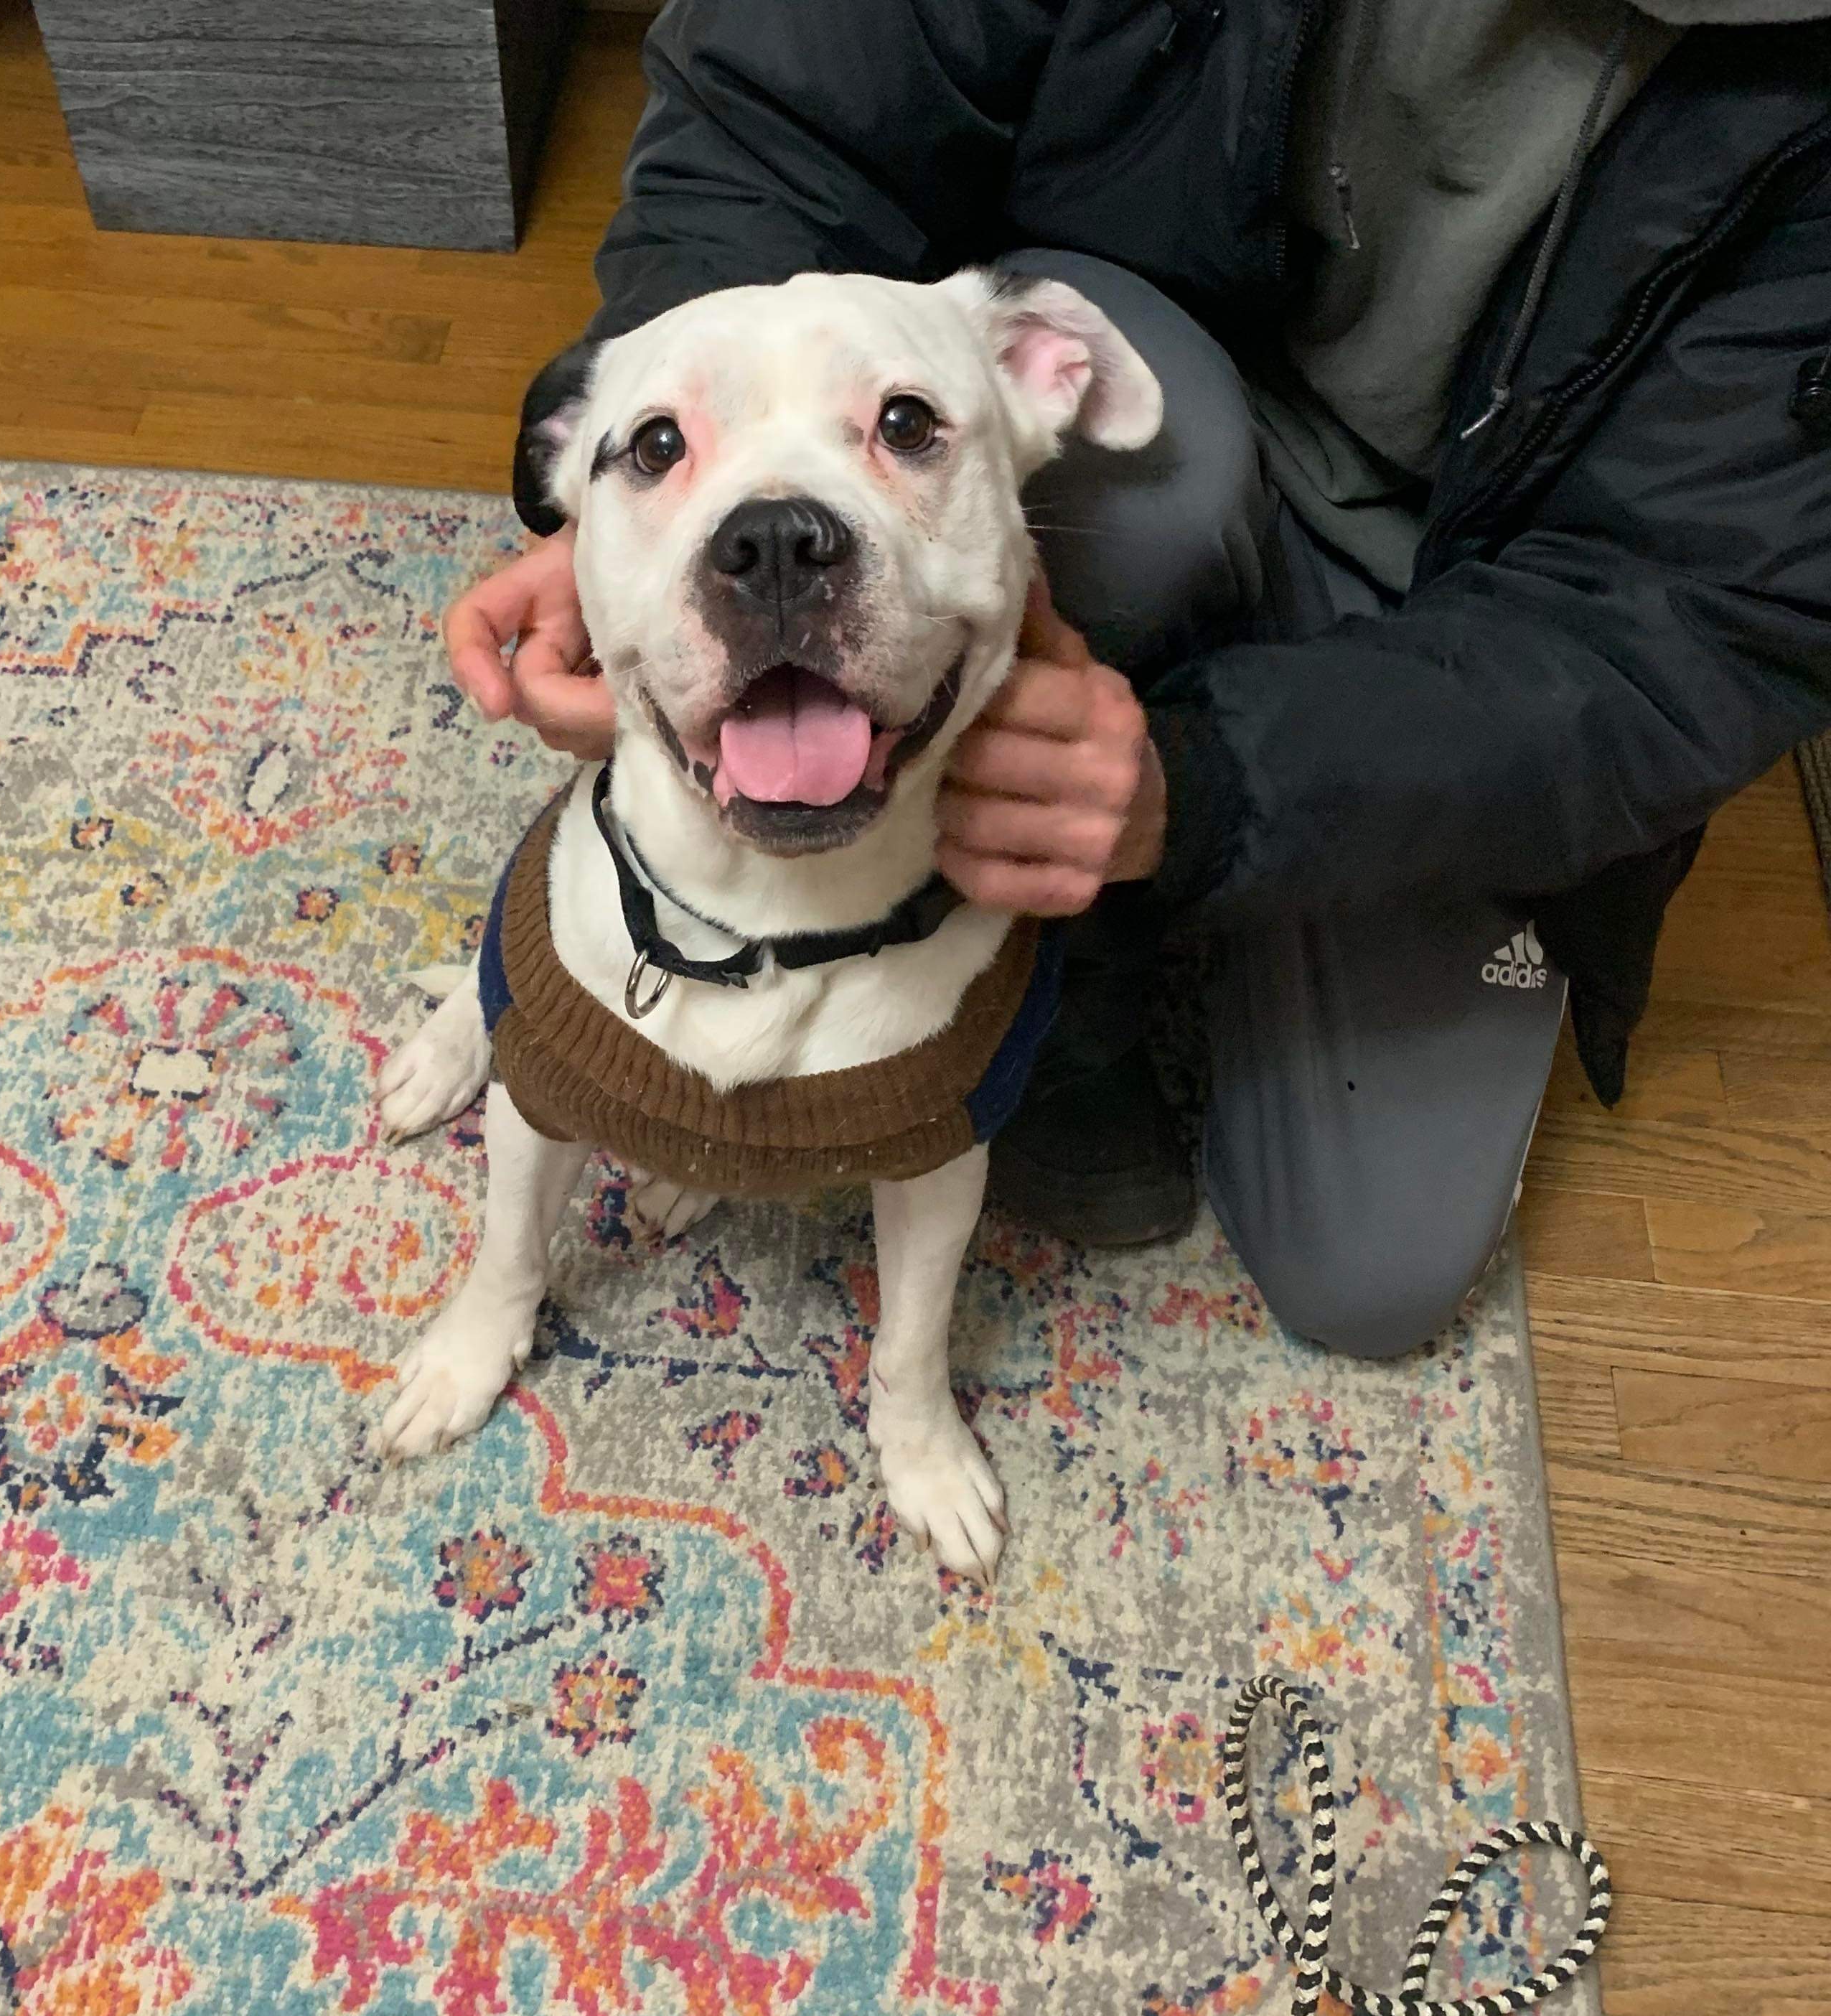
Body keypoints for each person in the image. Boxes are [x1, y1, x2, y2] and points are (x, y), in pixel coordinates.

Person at [446, 0, 1831, 1358]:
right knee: (1138, 499)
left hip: (1494, 606)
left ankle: (1095, 908)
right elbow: (782, 105)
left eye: (903, 427)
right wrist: (646, 509)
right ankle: (1074, 976)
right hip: (1177, 392)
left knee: (1374, 1270)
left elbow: (1684, 632)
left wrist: (1212, 787)